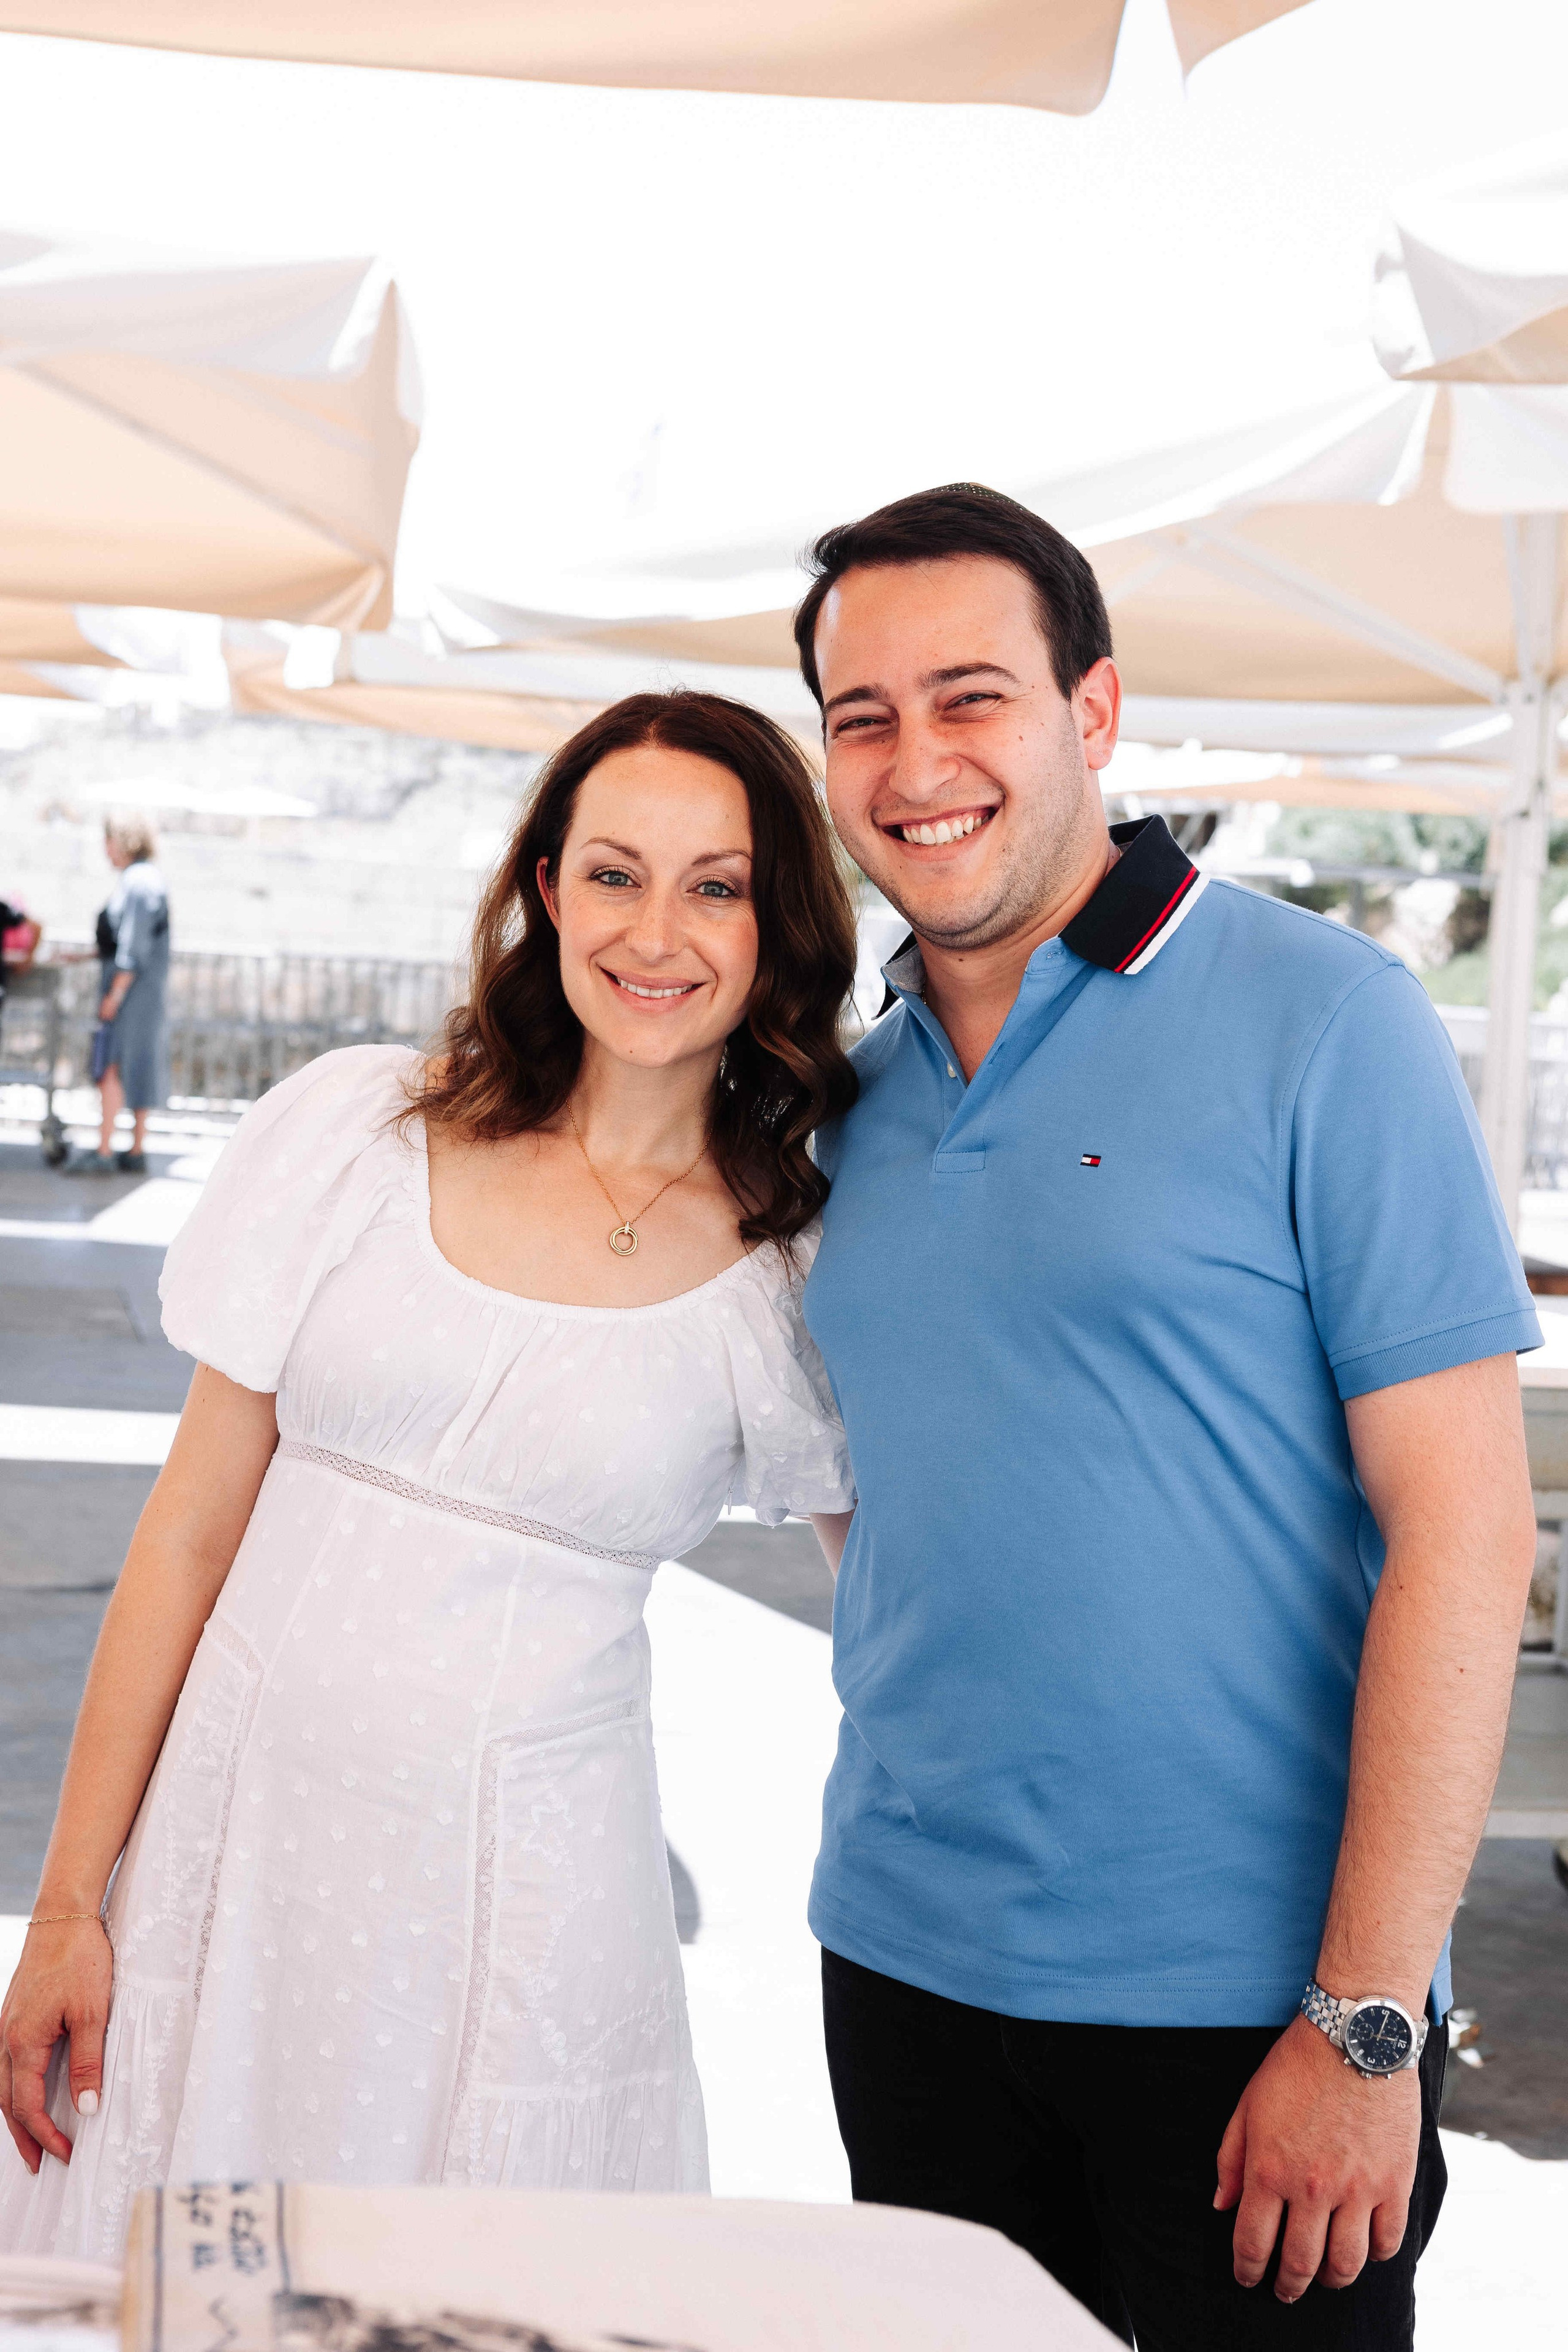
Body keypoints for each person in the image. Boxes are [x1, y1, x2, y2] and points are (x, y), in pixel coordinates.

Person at [791, 485, 1540, 2350]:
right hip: (902, 1963)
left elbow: (1466, 1533)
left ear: (1093, 710)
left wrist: (1363, 2017)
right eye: (861, 715)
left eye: (969, 697)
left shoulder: (1326, 1017)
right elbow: (872, 1494)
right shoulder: (843, 1105)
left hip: (1253, 2004)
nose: (913, 762)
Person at [0, 691, 858, 2261]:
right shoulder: (360, 1129)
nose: (654, 930)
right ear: (546, 891)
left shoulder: (792, 1267)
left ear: (776, 925)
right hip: (229, 1864)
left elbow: (902, 1607)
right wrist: (67, 1902)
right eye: (613, 873)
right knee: (185, 2285)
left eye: (715, 886)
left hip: (528, 1921)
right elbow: (183, 1539)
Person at [71, 816, 170, 1176]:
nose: (105, 850)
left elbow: (133, 946)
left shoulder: (138, 882)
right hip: (140, 991)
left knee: (111, 1063)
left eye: (109, 841)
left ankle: (105, 1150)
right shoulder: (143, 880)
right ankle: (135, 1148)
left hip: (131, 993)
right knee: (138, 1062)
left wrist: (114, 995)